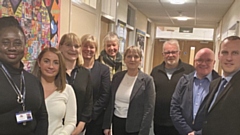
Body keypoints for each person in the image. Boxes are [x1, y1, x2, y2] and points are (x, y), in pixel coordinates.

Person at [0, 16, 48, 134]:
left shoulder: (33, 80)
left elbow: (42, 117)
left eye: (17, 43)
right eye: (5, 43)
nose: (12, 48)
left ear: (24, 46)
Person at [103, 46, 155, 135]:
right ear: (125, 59)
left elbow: (149, 109)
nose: (132, 59)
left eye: (136, 56)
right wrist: (106, 125)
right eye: (129, 56)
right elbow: (110, 102)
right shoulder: (117, 77)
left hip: (135, 128)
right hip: (117, 123)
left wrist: (144, 132)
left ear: (140, 60)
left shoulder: (147, 80)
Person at [170, 48, 220, 135]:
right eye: (200, 60)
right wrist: (188, 131)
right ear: (194, 62)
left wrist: (198, 134)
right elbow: (174, 108)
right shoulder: (184, 81)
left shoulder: (220, 84)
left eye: (208, 60)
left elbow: (220, 116)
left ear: (214, 63)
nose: (203, 63)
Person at [150, 39, 195, 135]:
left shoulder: (189, 71)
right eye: (167, 52)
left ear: (179, 53)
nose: (170, 55)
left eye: (173, 52)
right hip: (159, 122)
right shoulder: (155, 71)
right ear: (163, 54)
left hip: (181, 123)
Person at [32, 47, 77, 135]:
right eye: (46, 61)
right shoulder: (29, 88)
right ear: (39, 63)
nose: (51, 66)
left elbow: (71, 122)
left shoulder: (67, 90)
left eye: (56, 63)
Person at [202, 36, 240, 135]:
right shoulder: (215, 84)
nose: (229, 58)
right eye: (225, 52)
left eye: (235, 53)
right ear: (218, 55)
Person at [59, 33, 93, 135]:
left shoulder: (85, 73)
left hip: (78, 129)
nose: (73, 49)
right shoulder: (54, 71)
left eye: (76, 46)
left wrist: (80, 127)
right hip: (55, 127)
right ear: (60, 47)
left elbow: (88, 103)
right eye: (68, 45)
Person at [80, 34, 111, 135]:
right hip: (75, 117)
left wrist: (89, 114)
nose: (88, 49)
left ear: (96, 50)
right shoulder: (76, 68)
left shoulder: (103, 70)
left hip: (95, 119)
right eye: (85, 46)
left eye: (92, 47)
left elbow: (105, 95)